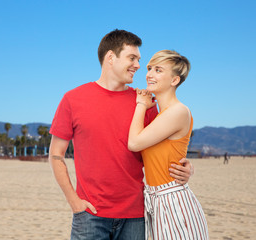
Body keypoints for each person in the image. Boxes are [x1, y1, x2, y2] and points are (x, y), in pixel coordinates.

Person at [49, 30, 193, 240]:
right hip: (90, 214)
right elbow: (55, 154)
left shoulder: (145, 102)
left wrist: (185, 167)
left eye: (138, 60)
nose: (137, 65)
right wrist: (74, 202)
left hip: (135, 216)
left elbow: (161, 150)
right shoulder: (73, 99)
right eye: (132, 58)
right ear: (110, 58)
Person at [128, 50, 209, 239]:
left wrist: (141, 104)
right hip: (156, 201)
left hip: (173, 200)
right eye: (149, 69)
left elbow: (134, 143)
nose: (149, 74)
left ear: (174, 80)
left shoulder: (178, 111)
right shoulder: (160, 116)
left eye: (158, 70)